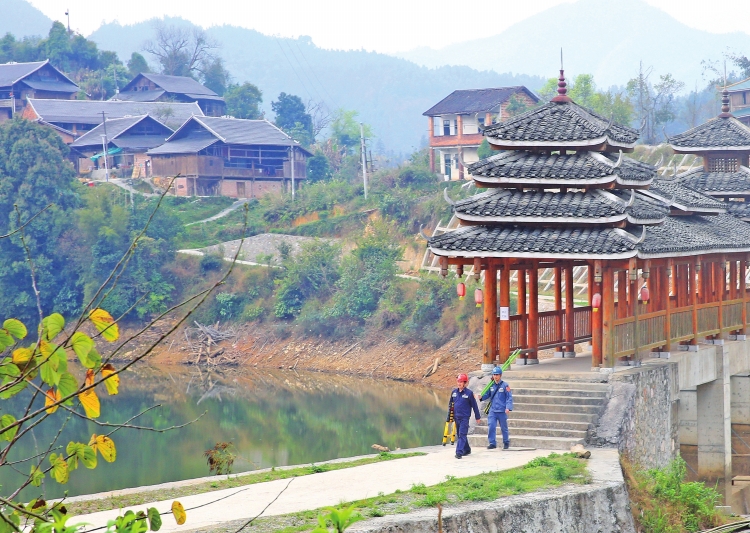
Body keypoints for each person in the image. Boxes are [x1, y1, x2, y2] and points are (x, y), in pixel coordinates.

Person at [477, 366, 514, 450]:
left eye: (497, 374)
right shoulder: (491, 385)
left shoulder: (505, 385)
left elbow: (509, 397)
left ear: (500, 375)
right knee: (491, 426)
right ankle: (492, 443)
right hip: (493, 410)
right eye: (494, 374)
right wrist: (481, 397)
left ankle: (506, 442)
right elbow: (487, 394)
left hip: (502, 410)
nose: (495, 376)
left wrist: (508, 407)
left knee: (504, 428)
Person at [449, 373, 481, 459]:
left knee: (462, 434)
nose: (459, 383)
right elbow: (451, 405)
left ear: (465, 383)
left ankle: (459, 452)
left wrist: (477, 417)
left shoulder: (469, 393)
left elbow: (474, 406)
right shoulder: (454, 392)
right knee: (460, 434)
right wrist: (449, 416)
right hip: (456, 417)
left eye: (461, 382)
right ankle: (467, 449)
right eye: (458, 381)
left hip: (465, 418)